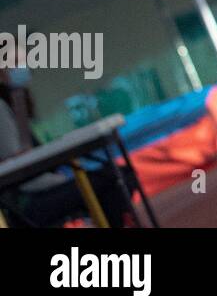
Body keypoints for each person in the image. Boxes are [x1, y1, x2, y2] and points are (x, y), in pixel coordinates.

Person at [0, 75, 136, 228]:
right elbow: (17, 166)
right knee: (114, 177)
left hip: (41, 189)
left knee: (117, 175)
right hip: (28, 202)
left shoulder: (15, 101)